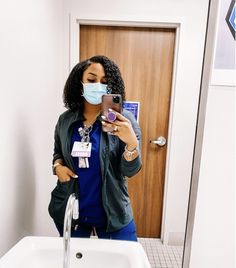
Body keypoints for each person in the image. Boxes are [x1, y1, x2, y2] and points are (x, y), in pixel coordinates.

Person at [48, 55, 142, 241]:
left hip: (113, 212)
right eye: (91, 80)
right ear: (80, 82)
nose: (97, 85)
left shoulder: (125, 120)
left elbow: (130, 171)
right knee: (76, 261)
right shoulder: (65, 120)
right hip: (71, 209)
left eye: (104, 82)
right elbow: (58, 152)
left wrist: (131, 143)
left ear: (111, 87)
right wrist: (57, 167)